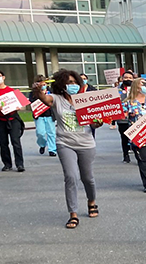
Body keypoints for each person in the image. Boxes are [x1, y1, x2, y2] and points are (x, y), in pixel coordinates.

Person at [33, 69, 103, 228]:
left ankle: (91, 201)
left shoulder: (87, 100)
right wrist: (38, 88)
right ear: (62, 84)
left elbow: (94, 123)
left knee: (88, 178)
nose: (73, 85)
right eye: (69, 82)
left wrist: (97, 123)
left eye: (75, 82)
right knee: (71, 177)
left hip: (86, 143)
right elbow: (42, 97)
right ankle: (73, 213)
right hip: (65, 143)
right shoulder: (56, 99)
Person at [0, 70, 26, 172]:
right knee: (3, 143)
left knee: (16, 142)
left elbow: (23, 105)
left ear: (3, 77)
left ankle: (20, 164)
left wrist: (18, 107)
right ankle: (7, 164)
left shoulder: (12, 90)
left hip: (13, 119)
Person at [29, 75, 57, 158]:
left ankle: (52, 149)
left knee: (51, 133)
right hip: (39, 115)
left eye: (44, 83)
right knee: (40, 133)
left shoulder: (50, 91)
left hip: (49, 115)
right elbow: (32, 102)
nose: (43, 85)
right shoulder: (33, 93)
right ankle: (42, 144)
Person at [114, 71, 135, 163]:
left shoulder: (136, 89)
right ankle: (125, 155)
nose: (128, 79)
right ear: (122, 79)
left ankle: (138, 154)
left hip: (135, 117)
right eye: (126, 78)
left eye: (130, 78)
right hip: (122, 118)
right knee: (124, 137)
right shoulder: (116, 90)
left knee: (135, 136)